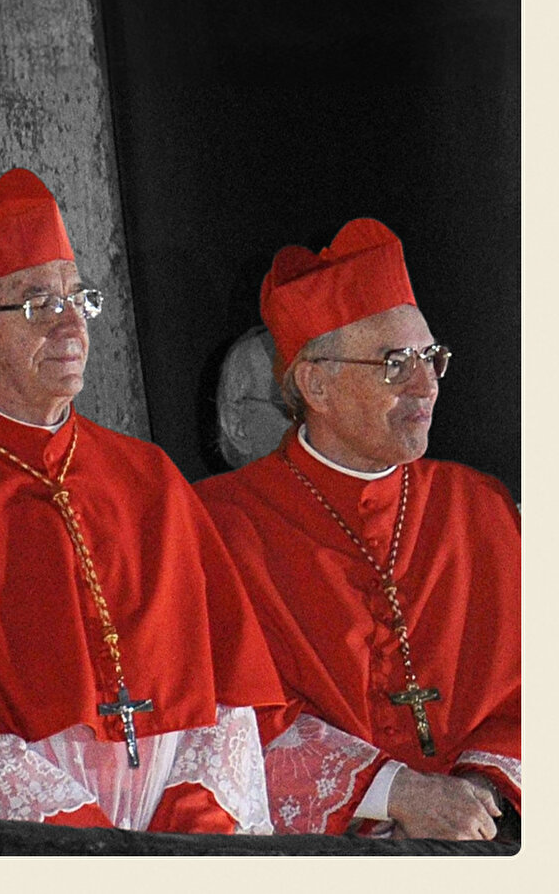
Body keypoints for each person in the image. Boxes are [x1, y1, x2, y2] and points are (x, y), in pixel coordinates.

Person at [0, 167, 287, 834]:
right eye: (37, 306)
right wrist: (87, 849)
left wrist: (191, 830)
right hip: (36, 845)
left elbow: (229, 681)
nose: (70, 327)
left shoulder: (148, 475)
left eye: (78, 300)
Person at [197, 218, 520, 839]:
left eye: (431, 358)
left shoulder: (479, 506)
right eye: (396, 364)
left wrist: (478, 794)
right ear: (316, 384)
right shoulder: (218, 525)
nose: (426, 386)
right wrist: (395, 793)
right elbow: (225, 718)